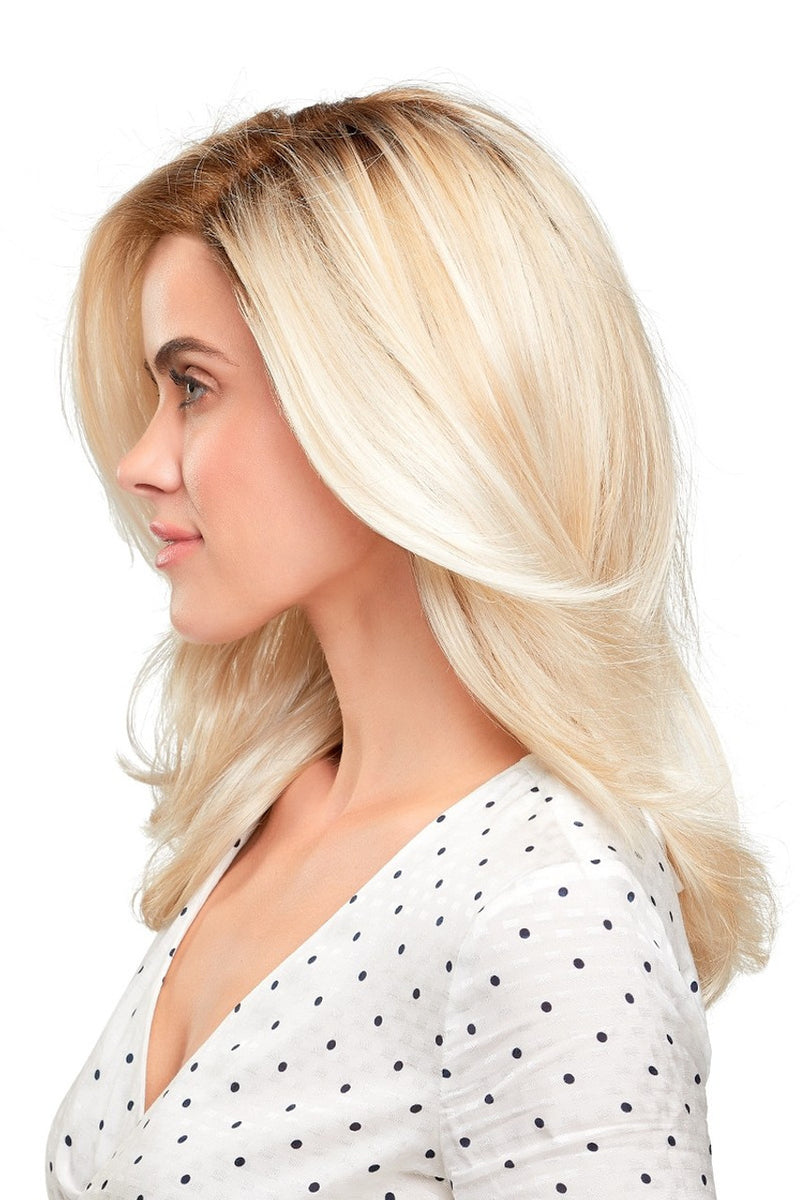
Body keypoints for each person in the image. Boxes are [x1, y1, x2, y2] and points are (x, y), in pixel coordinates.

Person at [46, 83, 774, 1199]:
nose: (140, 462)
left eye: (191, 386)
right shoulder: (268, 813)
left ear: (384, 397)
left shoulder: (545, 903)